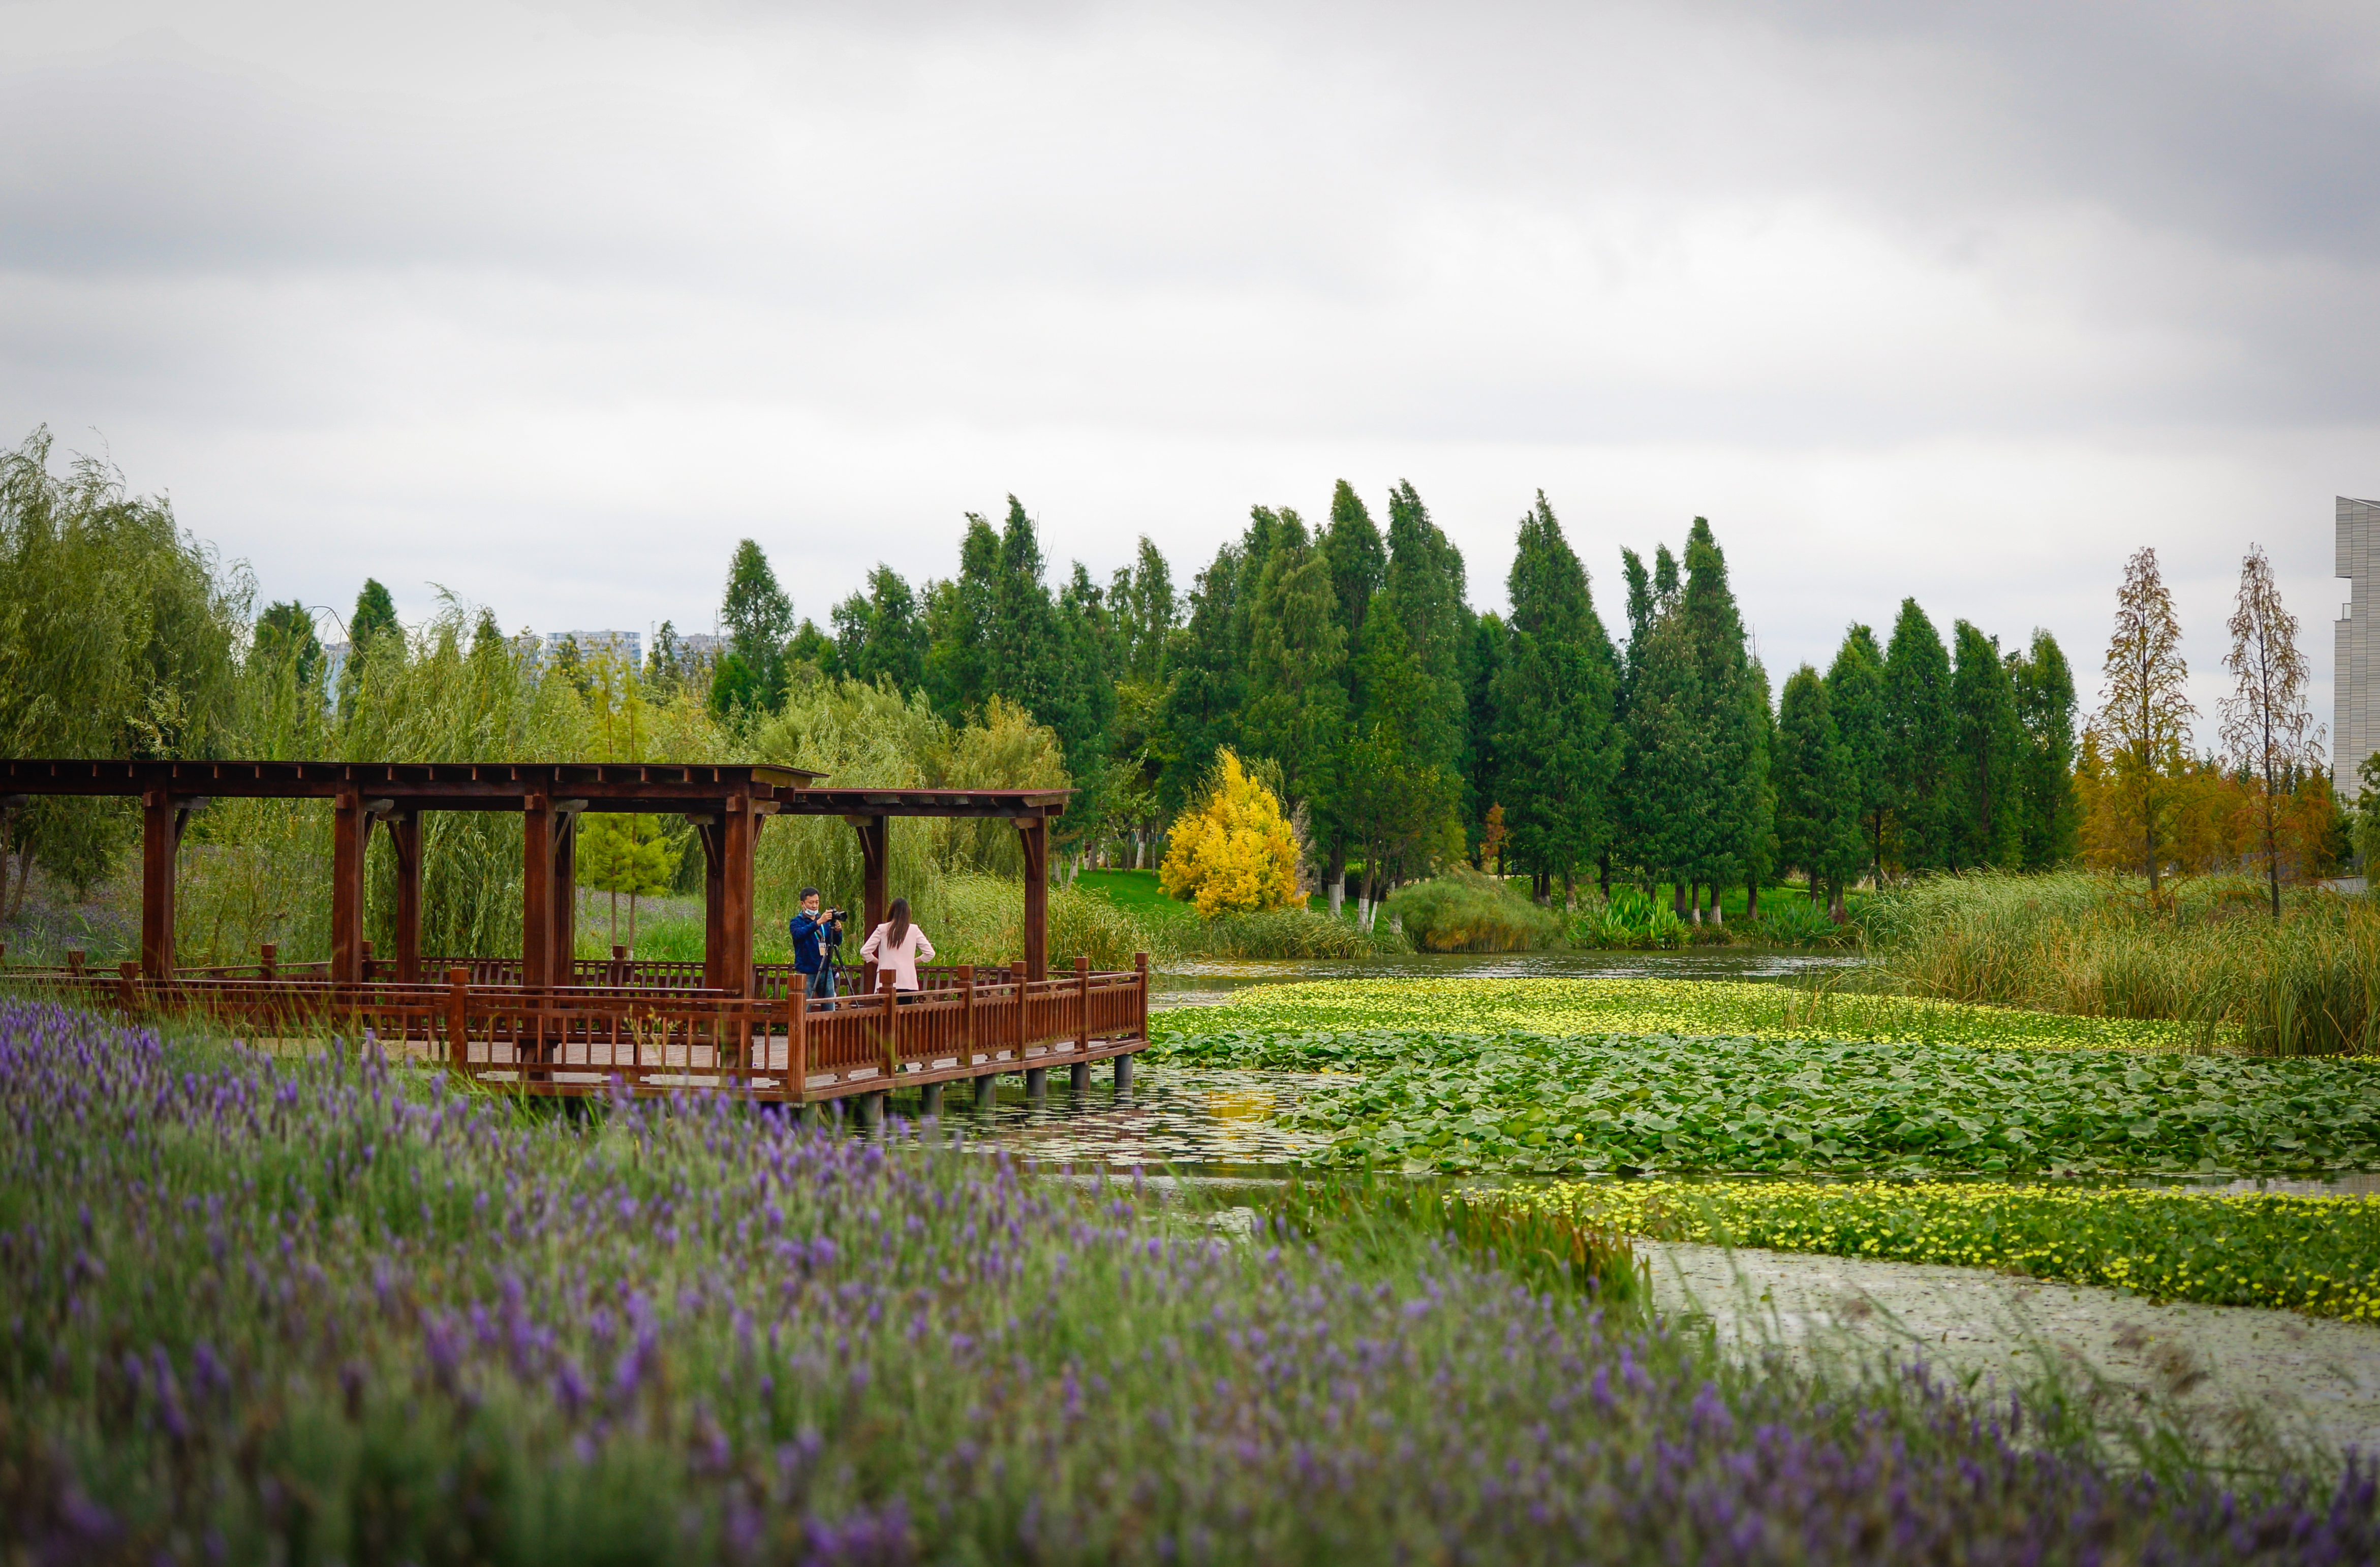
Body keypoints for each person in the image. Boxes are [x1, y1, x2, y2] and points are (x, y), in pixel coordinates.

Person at [858, 896, 935, 999]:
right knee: (905, 1013)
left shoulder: (882, 929)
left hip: (885, 980)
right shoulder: (914, 930)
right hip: (907, 979)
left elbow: (865, 951)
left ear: (892, 912)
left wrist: (880, 962)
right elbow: (930, 953)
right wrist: (912, 962)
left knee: (887, 1012)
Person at [789, 887, 844, 1003]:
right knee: (804, 1007)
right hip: (806, 971)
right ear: (802, 904)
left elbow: (835, 943)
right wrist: (818, 923)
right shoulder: (796, 922)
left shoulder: (826, 921)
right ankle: (803, 1022)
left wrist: (838, 931)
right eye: (811, 903)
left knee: (829, 1006)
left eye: (817, 902)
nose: (815, 906)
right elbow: (799, 934)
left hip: (825, 970)